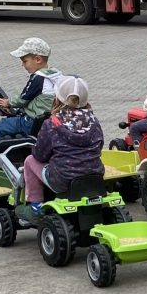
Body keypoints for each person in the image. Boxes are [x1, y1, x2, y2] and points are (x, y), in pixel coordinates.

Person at [18, 76, 104, 222]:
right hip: (94, 177)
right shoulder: (94, 121)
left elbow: (40, 155)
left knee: (30, 160)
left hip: (63, 179)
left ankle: (35, 207)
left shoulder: (52, 123)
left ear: (57, 98)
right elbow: (99, 146)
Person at [0, 38, 63, 141]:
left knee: (1, 126)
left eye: (25, 61)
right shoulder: (55, 75)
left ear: (38, 59)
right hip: (50, 119)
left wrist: (8, 103)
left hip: (33, 122)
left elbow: (23, 98)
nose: (23, 65)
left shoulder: (37, 77)